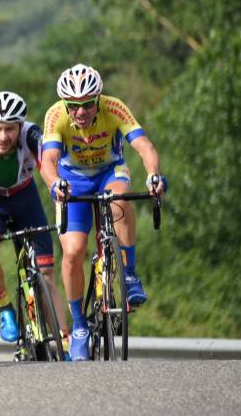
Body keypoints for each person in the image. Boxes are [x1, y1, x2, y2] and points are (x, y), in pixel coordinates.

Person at [39, 63, 166, 361]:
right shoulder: (56, 115)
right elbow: (49, 160)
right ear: (65, 104)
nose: (80, 112)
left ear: (97, 100)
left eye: (86, 105)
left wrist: (153, 176)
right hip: (73, 180)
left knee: (120, 200)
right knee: (73, 252)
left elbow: (145, 147)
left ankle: (130, 274)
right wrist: (55, 182)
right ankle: (80, 327)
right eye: (74, 106)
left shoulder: (114, 108)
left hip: (110, 172)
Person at [0, 91, 67, 345]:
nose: (2, 136)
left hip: (24, 198)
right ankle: (4, 307)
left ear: (20, 126)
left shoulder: (32, 135)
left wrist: (58, 191)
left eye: (9, 129)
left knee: (46, 273)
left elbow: (49, 170)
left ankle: (64, 342)